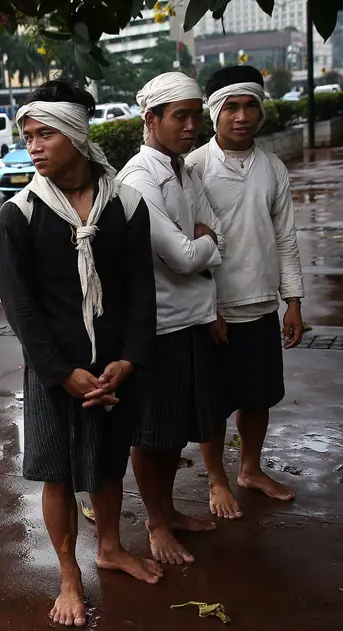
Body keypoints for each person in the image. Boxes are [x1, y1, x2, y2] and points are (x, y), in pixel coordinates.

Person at [0, 79, 160, 628]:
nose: (34, 146)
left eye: (46, 134)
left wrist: (129, 360)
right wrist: (61, 372)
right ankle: (69, 575)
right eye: (28, 136)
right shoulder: (19, 215)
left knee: (109, 466)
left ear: (76, 135)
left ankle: (110, 548)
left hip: (114, 369)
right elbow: (19, 306)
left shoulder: (127, 205)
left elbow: (140, 288)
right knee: (59, 475)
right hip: (55, 373)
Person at [115, 72, 228, 564]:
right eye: (179, 116)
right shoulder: (138, 180)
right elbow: (184, 256)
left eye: (195, 115)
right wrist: (207, 242)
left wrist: (204, 243)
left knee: (176, 431)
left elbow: (210, 230)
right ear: (151, 119)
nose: (191, 126)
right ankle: (156, 524)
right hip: (157, 329)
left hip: (192, 319)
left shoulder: (184, 170)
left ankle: (169, 511)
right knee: (151, 433)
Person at [186, 65, 305, 520]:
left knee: (259, 396)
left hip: (261, 305)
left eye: (250, 105)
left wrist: (293, 302)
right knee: (214, 403)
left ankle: (250, 469)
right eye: (231, 107)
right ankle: (217, 478)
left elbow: (286, 238)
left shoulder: (273, 167)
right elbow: (184, 247)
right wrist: (205, 308)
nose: (242, 116)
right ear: (214, 113)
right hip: (212, 311)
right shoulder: (194, 167)